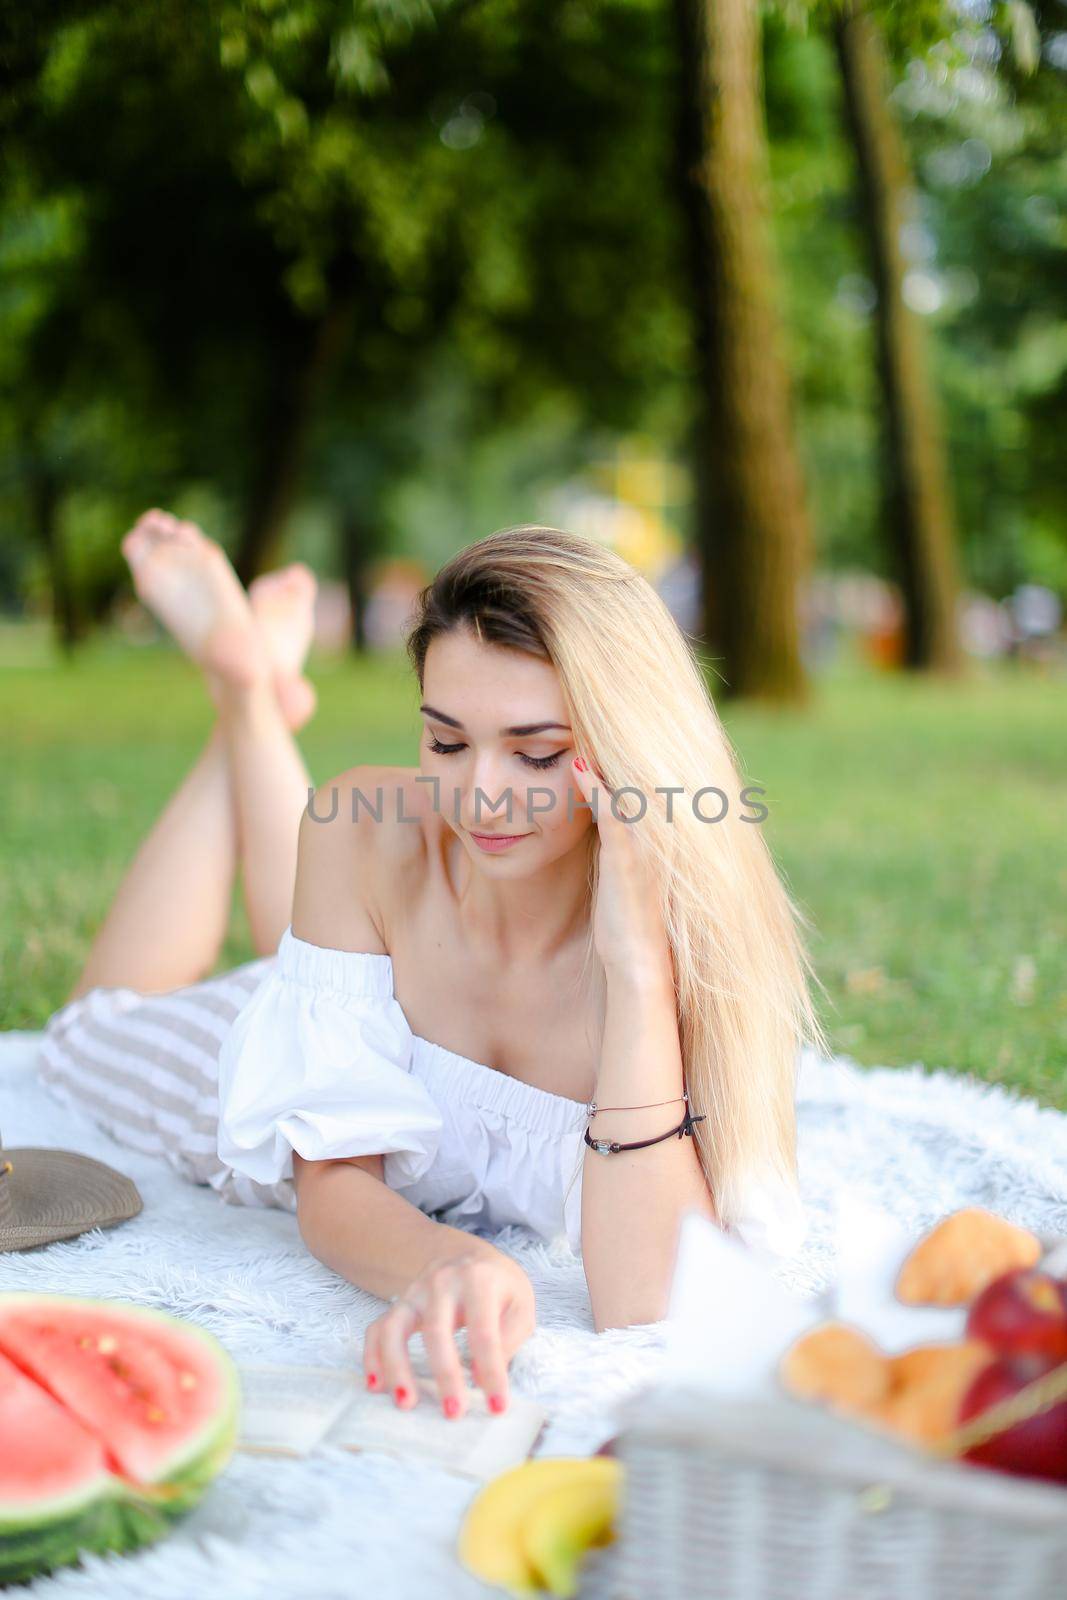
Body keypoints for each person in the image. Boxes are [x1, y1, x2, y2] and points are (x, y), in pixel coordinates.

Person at [38, 509, 828, 1423]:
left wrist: (635, 969)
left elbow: (643, 1299)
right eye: (446, 743)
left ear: (629, 750)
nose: (481, 796)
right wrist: (457, 1261)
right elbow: (331, 1182)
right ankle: (246, 690)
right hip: (295, 1038)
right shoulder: (367, 828)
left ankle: (251, 694)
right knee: (90, 1024)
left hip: (360, 1003)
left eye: (536, 754)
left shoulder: (698, 952)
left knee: (299, 950)